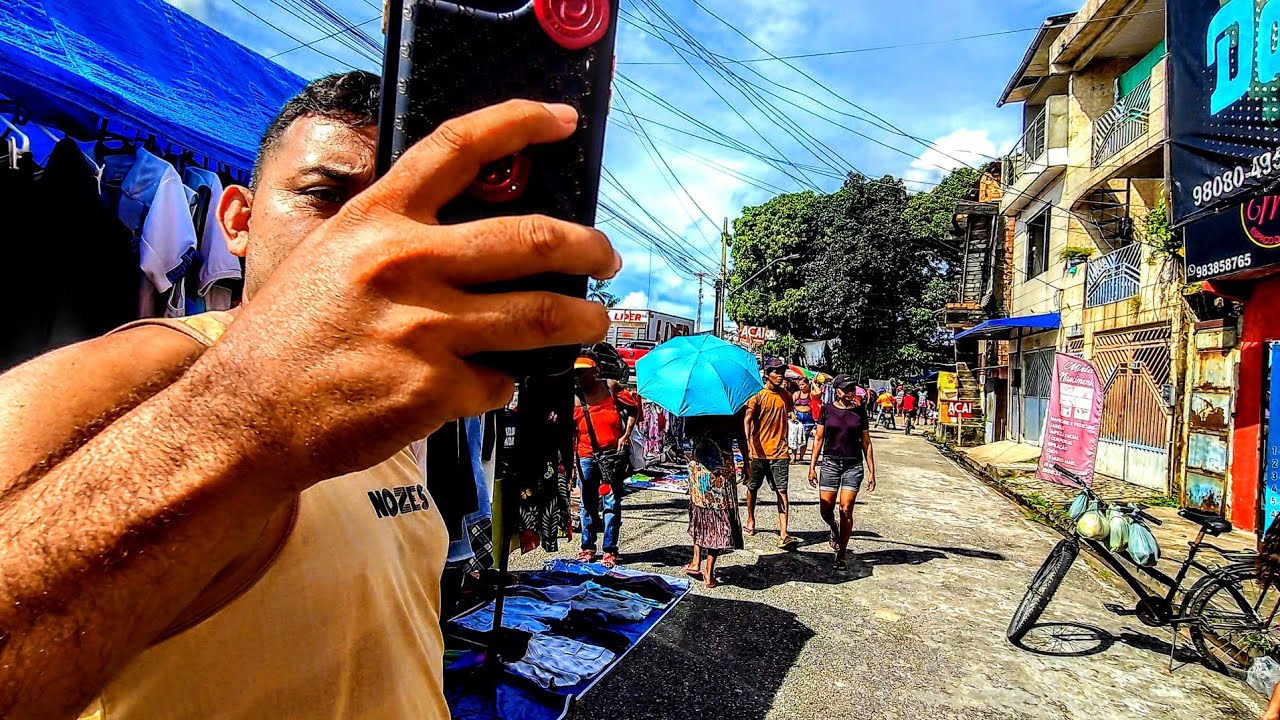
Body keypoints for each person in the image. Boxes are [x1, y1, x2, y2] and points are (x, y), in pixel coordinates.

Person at [0, 72, 620, 719]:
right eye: (326, 195)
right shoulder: (151, 365)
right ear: (237, 221)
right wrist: (250, 413)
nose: (368, 239)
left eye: (396, 209)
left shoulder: (388, 394)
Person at [572, 356, 637, 568]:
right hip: (585, 457)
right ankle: (587, 548)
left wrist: (626, 434)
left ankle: (609, 550)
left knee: (611, 503)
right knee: (587, 503)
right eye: (575, 372)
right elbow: (569, 432)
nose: (578, 376)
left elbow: (634, 408)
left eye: (582, 372)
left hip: (612, 457)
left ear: (595, 371)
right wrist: (570, 463)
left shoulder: (611, 387)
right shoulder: (573, 397)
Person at [807, 374, 876, 570]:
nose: (850, 392)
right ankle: (834, 529)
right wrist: (812, 467)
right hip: (830, 464)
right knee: (826, 509)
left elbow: (866, 443)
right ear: (836, 391)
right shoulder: (826, 410)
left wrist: (872, 471)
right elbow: (819, 439)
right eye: (846, 388)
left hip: (853, 466)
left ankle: (842, 552)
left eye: (852, 388)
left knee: (846, 508)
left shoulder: (860, 413)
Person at [682, 414, 749, 588]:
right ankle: (708, 570)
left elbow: (687, 434)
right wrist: (747, 463)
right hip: (722, 469)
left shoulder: (693, 406)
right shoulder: (731, 406)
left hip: (701, 471)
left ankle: (696, 561)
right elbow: (741, 437)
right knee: (719, 518)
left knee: (700, 514)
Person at [744, 358, 798, 546]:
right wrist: (749, 443)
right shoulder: (757, 395)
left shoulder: (786, 396)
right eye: (776, 371)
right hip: (758, 452)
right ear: (767, 374)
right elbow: (748, 419)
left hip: (780, 452)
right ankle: (750, 518)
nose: (780, 374)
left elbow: (789, 415)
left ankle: (784, 532)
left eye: (782, 371)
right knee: (752, 488)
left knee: (782, 490)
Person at [791, 377, 818, 463]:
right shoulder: (796, 394)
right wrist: (792, 414)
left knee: (804, 439)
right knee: (794, 438)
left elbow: (819, 392)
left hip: (808, 419)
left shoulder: (811, 394)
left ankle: (801, 457)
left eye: (803, 384)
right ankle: (793, 457)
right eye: (800, 385)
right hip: (797, 418)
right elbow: (790, 405)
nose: (801, 387)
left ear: (807, 384)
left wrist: (813, 383)